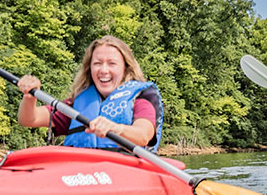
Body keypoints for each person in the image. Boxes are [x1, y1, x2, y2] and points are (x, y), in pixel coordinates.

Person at [16, 36, 162, 151]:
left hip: (123, 172)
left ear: (126, 68)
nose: (104, 70)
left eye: (112, 63)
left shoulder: (141, 98)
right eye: (97, 63)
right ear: (89, 68)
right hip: (82, 174)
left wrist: (116, 128)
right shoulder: (78, 104)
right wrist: (29, 97)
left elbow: (143, 135)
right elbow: (29, 119)